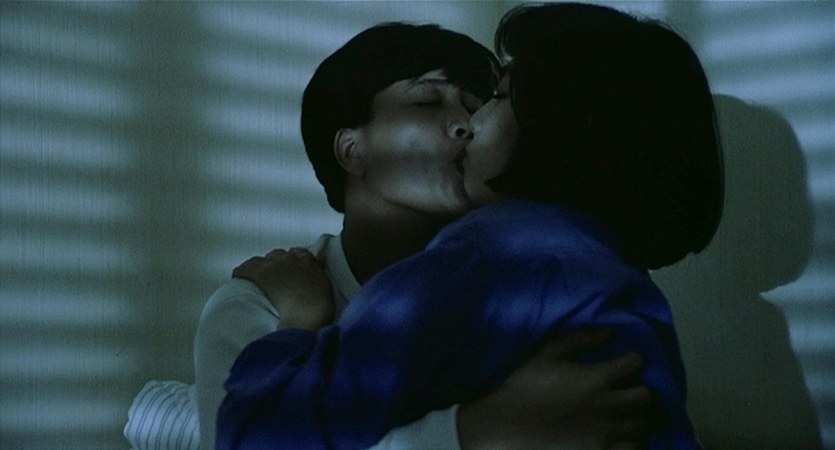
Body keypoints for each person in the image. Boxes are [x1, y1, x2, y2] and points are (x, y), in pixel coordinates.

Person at [216, 3, 723, 450]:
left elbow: (256, 434)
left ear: (554, 128)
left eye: (490, 99)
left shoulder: (483, 264)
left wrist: (298, 327)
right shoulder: (613, 278)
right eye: (427, 102)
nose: (468, 124)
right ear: (350, 148)